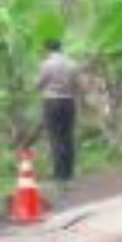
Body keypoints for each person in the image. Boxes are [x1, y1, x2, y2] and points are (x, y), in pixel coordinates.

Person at [37, 40, 81, 182]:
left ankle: (59, 172)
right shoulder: (72, 64)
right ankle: (69, 172)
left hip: (52, 101)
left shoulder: (46, 64)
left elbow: (40, 83)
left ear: (47, 49)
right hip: (68, 101)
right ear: (61, 48)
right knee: (68, 136)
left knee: (55, 137)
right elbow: (76, 84)